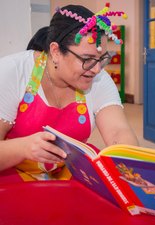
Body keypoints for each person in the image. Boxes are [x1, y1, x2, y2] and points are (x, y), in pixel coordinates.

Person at [0, 4, 138, 182]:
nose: (96, 69)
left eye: (102, 59)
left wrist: (133, 166)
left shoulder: (99, 78)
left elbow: (119, 132)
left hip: (70, 173)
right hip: (14, 174)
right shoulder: (12, 71)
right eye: (87, 59)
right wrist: (22, 148)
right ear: (56, 52)